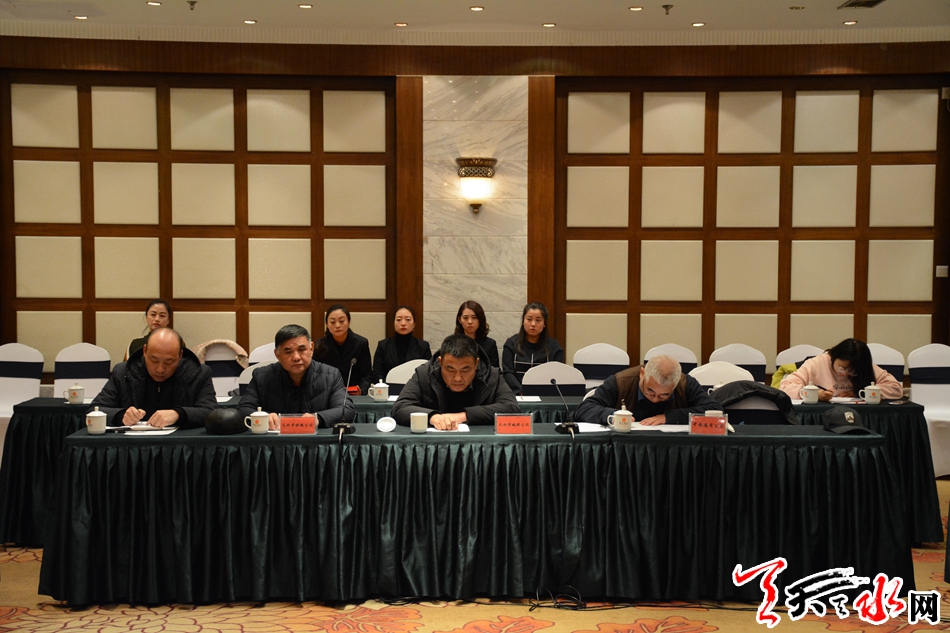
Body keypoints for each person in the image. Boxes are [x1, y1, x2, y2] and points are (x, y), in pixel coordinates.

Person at [90, 327, 215, 429]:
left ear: (180, 356)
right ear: (145, 351)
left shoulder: (198, 373)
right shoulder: (123, 372)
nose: (160, 369)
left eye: (168, 362)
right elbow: (93, 410)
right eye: (154, 361)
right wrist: (121, 416)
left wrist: (178, 414)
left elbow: (210, 412)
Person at [238, 324, 354, 430]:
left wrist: (318, 418)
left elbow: (346, 410)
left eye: (302, 349)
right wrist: (264, 417)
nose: (296, 357)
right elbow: (243, 409)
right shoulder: (262, 376)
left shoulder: (331, 375)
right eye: (288, 352)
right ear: (277, 355)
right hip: (275, 443)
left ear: (311, 349)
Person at [392, 334, 519, 430]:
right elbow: (400, 407)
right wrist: (433, 417)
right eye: (450, 369)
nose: (457, 378)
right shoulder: (424, 373)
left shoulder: (492, 375)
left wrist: (463, 416)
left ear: (476, 364)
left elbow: (512, 408)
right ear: (441, 362)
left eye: (465, 370)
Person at [575, 355, 719, 426]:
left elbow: (714, 410)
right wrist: (613, 415)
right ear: (642, 374)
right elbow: (584, 409)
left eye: (664, 395)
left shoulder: (685, 384)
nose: (655, 399)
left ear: (675, 385)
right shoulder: (620, 381)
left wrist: (669, 417)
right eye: (650, 391)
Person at [779, 338, 903, 402]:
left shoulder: (864, 366)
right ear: (834, 356)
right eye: (842, 367)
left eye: (852, 371)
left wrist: (862, 392)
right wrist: (815, 394)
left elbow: (896, 388)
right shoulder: (817, 363)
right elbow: (785, 387)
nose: (845, 374)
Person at [502, 302, 564, 394]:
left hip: (546, 394)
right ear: (523, 321)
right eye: (529, 319)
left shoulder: (554, 347)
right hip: (517, 395)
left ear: (544, 323)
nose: (533, 324)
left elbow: (557, 375)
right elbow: (508, 373)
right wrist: (521, 392)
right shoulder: (511, 344)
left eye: (538, 320)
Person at [313, 304, 372, 395]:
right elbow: (315, 374)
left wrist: (361, 390)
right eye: (332, 322)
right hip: (328, 394)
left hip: (353, 395)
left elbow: (367, 375)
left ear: (349, 322)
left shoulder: (361, 343)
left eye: (341, 321)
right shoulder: (320, 344)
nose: (337, 325)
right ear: (327, 324)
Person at [372, 306, 432, 383]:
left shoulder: (423, 346)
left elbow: (428, 373)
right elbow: (377, 373)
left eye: (408, 320)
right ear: (394, 324)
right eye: (398, 320)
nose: (403, 323)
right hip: (388, 388)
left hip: (415, 388)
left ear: (414, 324)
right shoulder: (383, 346)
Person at [454, 300, 499, 368]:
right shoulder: (452, 343)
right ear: (459, 320)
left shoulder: (490, 344)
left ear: (480, 319)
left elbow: (495, 371)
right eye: (465, 318)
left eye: (474, 317)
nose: (470, 322)